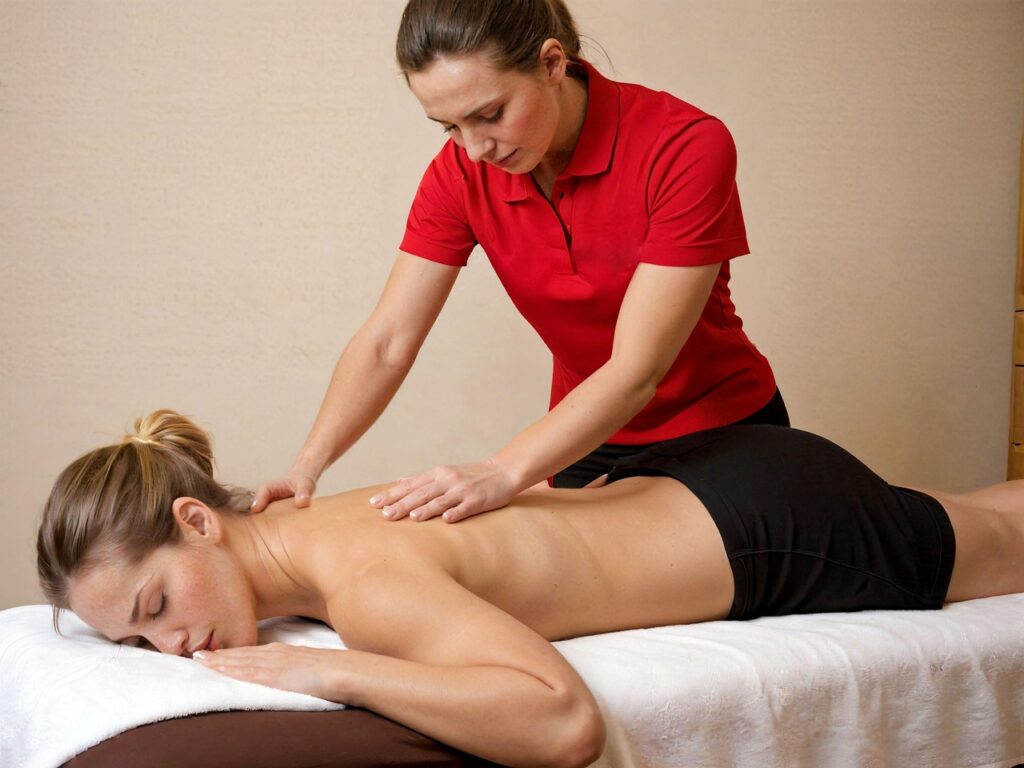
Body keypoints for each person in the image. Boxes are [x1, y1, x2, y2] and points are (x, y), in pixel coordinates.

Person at [38, 410, 1024, 768]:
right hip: (703, 480)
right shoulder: (300, 521)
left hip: (771, 533)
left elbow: (562, 722)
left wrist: (332, 673)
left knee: (1006, 543)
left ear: (197, 520)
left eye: (156, 607)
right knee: (984, 512)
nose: (170, 646)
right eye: (135, 642)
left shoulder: (365, 590)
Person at [252, 0, 788, 524]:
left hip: (721, 428)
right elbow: (388, 342)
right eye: (448, 126)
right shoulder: (461, 173)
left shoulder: (685, 145)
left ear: (552, 63)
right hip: (583, 436)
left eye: (489, 115)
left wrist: (500, 472)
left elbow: (636, 370)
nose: (474, 148)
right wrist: (307, 468)